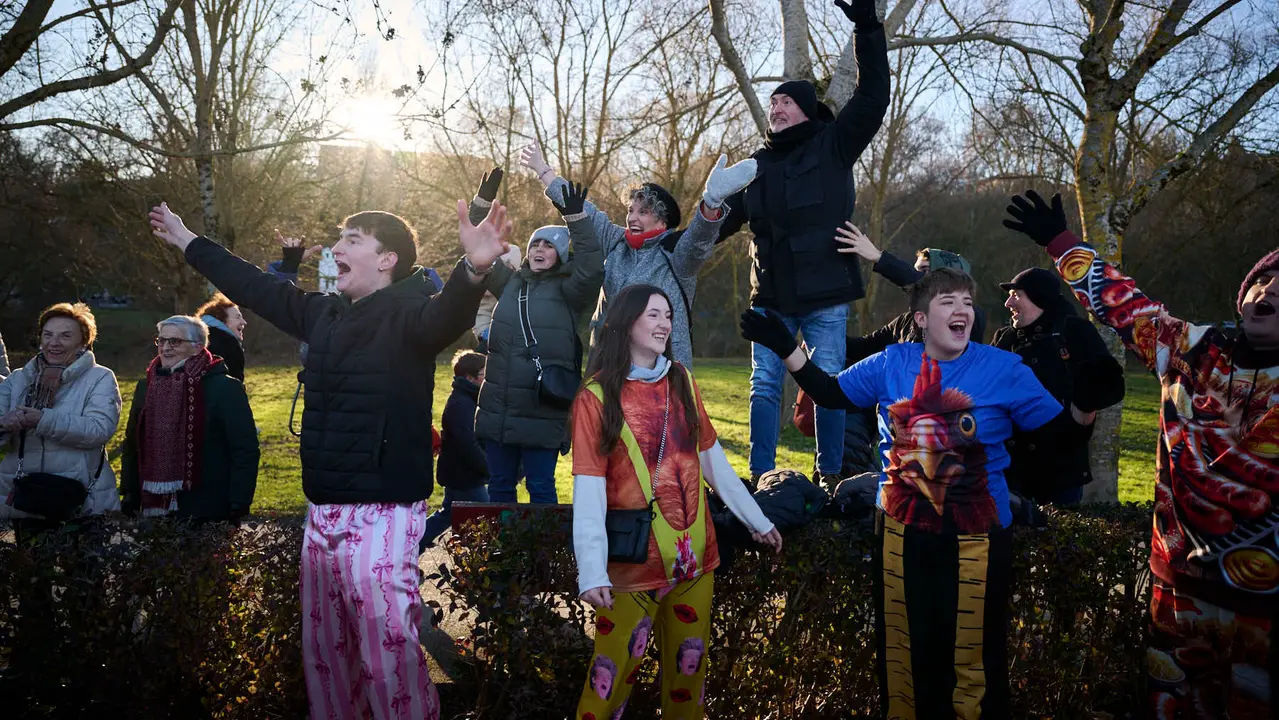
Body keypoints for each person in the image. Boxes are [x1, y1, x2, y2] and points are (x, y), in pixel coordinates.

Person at [147, 193, 511, 720]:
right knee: (327, 654)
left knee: (386, 648)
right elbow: (253, 284)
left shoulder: (412, 316)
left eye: (352, 240)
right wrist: (186, 240)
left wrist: (473, 269)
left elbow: (447, 315)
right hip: (321, 509)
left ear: (386, 259)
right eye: (339, 239)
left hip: (385, 509)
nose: (336, 248)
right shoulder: (320, 313)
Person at [741, 268, 1098, 719]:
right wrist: (785, 347)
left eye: (967, 302)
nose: (962, 310)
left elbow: (1063, 438)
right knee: (904, 655)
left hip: (977, 538)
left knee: (973, 660)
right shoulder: (891, 362)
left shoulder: (1004, 369)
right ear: (921, 319)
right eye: (948, 301)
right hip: (900, 535)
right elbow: (829, 393)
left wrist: (1086, 402)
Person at [1003, 188, 1278, 720]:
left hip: (1266, 613)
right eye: (1263, 281)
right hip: (1178, 594)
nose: (1270, 291)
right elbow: (1124, 304)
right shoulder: (1193, 351)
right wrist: (1061, 243)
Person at [571, 283, 781, 720]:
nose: (664, 323)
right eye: (653, 314)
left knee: (688, 683)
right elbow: (588, 490)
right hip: (632, 568)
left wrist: (757, 520)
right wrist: (591, 570)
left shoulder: (681, 380)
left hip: (694, 562)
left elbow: (714, 462)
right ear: (626, 322)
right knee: (609, 680)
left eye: (668, 315)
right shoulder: (595, 396)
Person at [717, 0, 890, 488]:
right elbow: (719, 224)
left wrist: (867, 27)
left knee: (829, 380)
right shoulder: (756, 166)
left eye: (785, 102)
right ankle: (760, 476)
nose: (775, 108)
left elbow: (873, 96)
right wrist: (676, 239)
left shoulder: (834, 144)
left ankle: (830, 474)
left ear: (807, 110)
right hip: (771, 297)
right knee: (764, 383)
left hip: (826, 295)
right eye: (772, 104)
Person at [521, 144, 755, 367]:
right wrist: (542, 169)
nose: (632, 218)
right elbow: (582, 209)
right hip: (607, 366)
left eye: (643, 212)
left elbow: (699, 238)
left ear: (662, 221)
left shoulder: (676, 254)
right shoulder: (616, 241)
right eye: (630, 210)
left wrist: (711, 204)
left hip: (661, 373)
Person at [473, 178, 604, 505]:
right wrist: (481, 204)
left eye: (548, 246)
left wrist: (577, 220)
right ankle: (501, 540)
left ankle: (541, 543)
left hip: (542, 410)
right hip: (500, 409)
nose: (539, 250)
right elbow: (478, 246)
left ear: (560, 255)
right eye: (535, 245)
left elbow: (591, 267)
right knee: (499, 487)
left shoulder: (570, 291)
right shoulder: (511, 283)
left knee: (541, 488)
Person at [991, 267, 1125, 505]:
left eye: (1017, 295)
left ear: (1039, 298)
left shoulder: (1073, 330)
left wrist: (1081, 411)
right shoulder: (1005, 337)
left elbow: (1108, 380)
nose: (1008, 303)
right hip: (1008, 469)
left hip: (1059, 470)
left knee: (1057, 528)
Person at [118, 315, 259, 523]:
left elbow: (244, 449)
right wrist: (130, 493)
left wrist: (239, 502)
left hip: (209, 508)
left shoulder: (224, 388)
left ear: (197, 347)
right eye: (161, 340)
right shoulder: (146, 387)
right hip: (152, 508)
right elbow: (132, 444)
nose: (166, 347)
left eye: (175, 341)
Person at [0, 303, 121, 536]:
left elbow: (99, 429)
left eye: (65, 336)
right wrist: (4, 423)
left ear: (83, 342)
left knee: (82, 561)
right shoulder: (18, 379)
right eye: (48, 335)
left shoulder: (101, 378)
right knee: (31, 560)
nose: (54, 342)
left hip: (81, 500)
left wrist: (42, 420)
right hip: (27, 500)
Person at [421, 350, 489, 549]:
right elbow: (468, 445)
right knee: (488, 517)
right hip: (465, 476)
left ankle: (409, 547)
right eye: (484, 374)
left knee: (448, 514)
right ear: (470, 377)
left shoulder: (467, 399)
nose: (488, 378)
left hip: (459, 473)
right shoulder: (461, 404)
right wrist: (489, 468)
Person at [194, 293, 248, 382]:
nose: (244, 322)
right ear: (221, 319)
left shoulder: (194, 338)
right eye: (238, 317)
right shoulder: (228, 343)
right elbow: (235, 383)